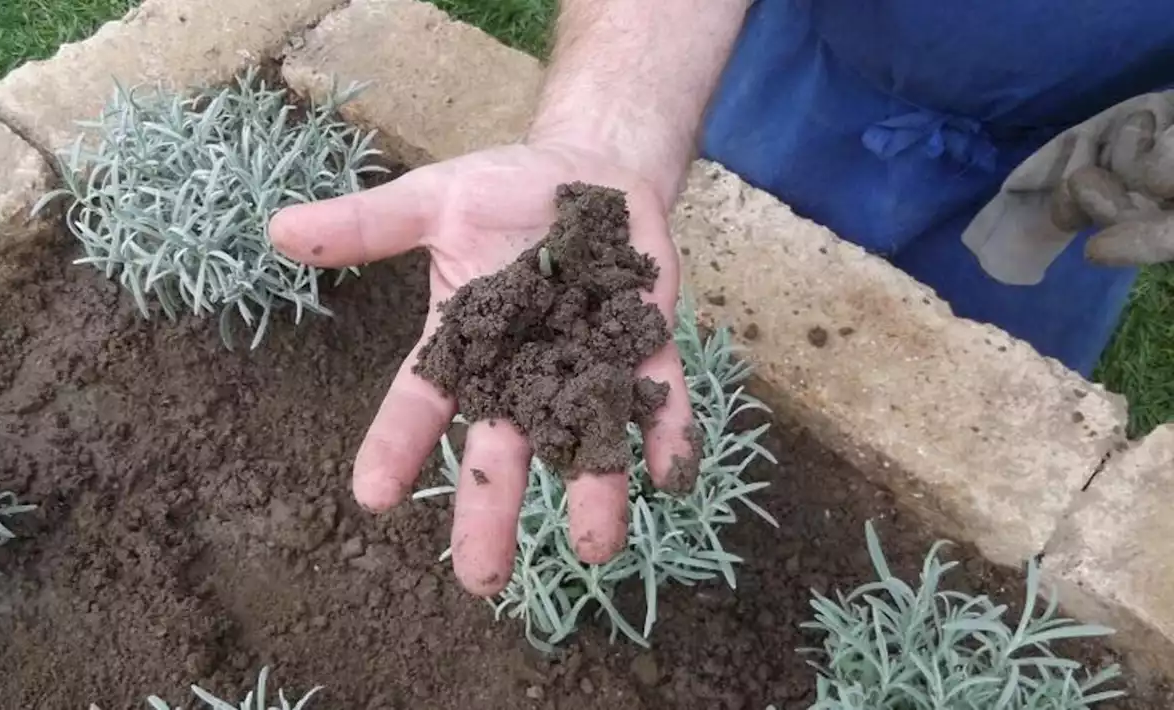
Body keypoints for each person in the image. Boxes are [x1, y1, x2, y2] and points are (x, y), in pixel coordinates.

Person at [267, 0, 1174, 597]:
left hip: (1081, 159)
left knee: (982, 437)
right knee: (715, 303)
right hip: (803, 71)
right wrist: (605, 132)